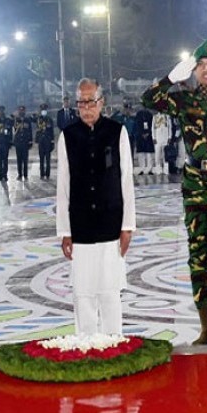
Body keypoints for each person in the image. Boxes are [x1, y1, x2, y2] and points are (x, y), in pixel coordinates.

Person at [141, 29, 207, 344]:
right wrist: (173, 76)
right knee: (198, 254)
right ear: (193, 68)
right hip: (195, 184)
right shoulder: (183, 99)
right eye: (199, 63)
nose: (204, 69)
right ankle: (204, 327)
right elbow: (149, 99)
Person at [57, 78, 136, 335]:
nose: (86, 107)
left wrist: (127, 226)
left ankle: (113, 342)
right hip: (80, 225)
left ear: (101, 102)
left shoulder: (117, 132)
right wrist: (64, 231)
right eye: (81, 102)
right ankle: (86, 344)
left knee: (110, 290)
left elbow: (126, 180)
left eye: (90, 101)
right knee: (83, 293)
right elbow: (63, 185)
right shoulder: (68, 136)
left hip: (111, 223)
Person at [12, 105, 33, 180]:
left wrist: (30, 141)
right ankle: (20, 174)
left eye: (23, 110)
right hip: (18, 143)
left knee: (25, 160)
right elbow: (13, 129)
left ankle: (26, 175)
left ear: (25, 111)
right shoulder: (15, 120)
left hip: (25, 142)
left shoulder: (28, 120)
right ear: (18, 111)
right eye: (20, 110)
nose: (22, 111)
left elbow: (30, 131)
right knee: (19, 160)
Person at [35, 102, 55, 180]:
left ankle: (47, 174)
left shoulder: (49, 119)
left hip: (48, 141)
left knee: (48, 158)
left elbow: (51, 131)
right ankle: (42, 174)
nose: (43, 111)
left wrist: (52, 141)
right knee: (41, 158)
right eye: (42, 109)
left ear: (46, 110)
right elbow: (37, 129)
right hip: (41, 141)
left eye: (45, 109)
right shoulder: (38, 119)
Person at [134, 106, 155, 174]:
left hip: (149, 136)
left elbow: (152, 125)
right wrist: (142, 133)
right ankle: (141, 168)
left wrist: (148, 133)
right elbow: (137, 125)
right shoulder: (138, 114)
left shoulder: (150, 115)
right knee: (141, 153)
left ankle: (149, 168)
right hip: (140, 136)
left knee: (149, 153)